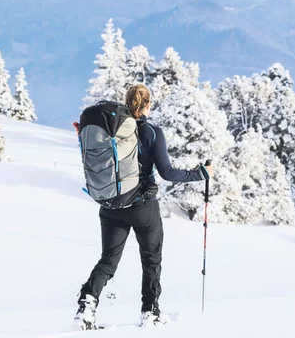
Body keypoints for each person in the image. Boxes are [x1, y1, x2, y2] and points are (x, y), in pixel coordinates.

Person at [73, 84, 213, 329]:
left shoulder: (113, 130)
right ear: (148, 104)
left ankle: (86, 306)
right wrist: (201, 173)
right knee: (151, 258)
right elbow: (167, 172)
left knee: (109, 260)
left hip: (111, 204)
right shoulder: (152, 132)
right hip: (142, 207)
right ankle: (150, 311)